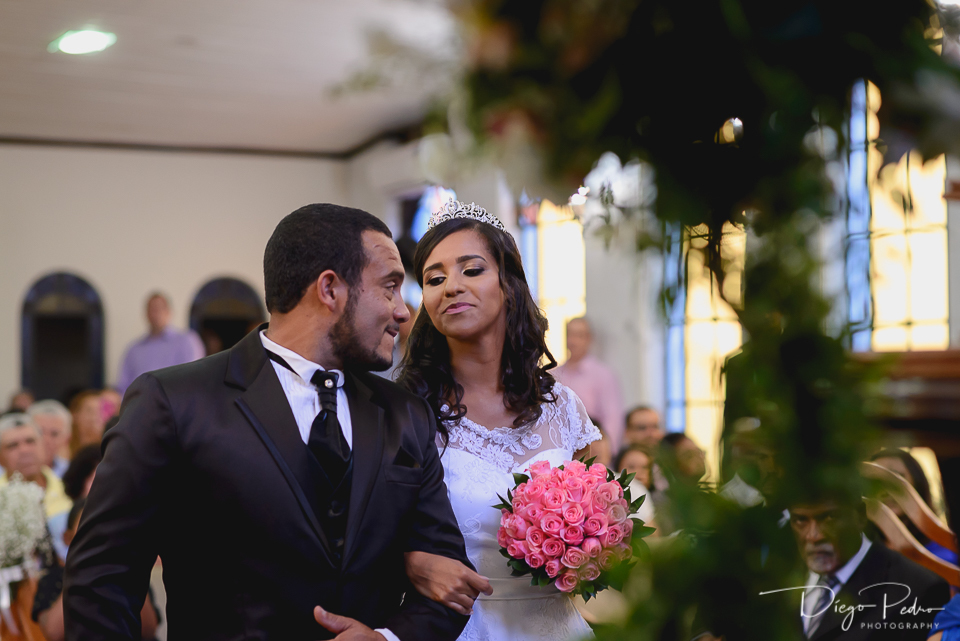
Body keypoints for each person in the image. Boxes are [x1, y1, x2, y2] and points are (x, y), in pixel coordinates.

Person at [64, 204, 472, 641]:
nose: (403, 311)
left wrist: (388, 639)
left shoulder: (404, 413)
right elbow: (102, 580)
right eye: (390, 287)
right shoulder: (174, 402)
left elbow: (448, 581)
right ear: (330, 289)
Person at [398, 200, 602, 641]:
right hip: (456, 627)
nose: (451, 287)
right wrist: (410, 561)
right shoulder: (406, 411)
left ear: (508, 284)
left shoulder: (563, 407)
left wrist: (594, 548)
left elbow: (599, 519)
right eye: (434, 279)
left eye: (471, 270)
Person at [785, 491, 950, 640]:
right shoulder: (780, 575)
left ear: (860, 516)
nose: (814, 536)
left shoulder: (918, 591)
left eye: (830, 518)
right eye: (800, 520)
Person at [33, 498, 160, 641]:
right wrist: (79, 569)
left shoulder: (129, 571)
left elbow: (148, 631)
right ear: (68, 538)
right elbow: (54, 633)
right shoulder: (54, 578)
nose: (97, 538)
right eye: (87, 530)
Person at [553, 317, 625, 450]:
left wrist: (607, 452)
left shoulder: (603, 375)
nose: (573, 341)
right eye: (569, 334)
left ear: (589, 339)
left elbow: (612, 419)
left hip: (591, 448)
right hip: (558, 446)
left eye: (579, 335)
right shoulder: (554, 375)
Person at [115, 292, 205, 395]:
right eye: (152, 309)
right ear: (146, 314)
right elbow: (123, 387)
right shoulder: (134, 349)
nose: (155, 314)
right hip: (140, 403)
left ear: (168, 312)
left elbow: (193, 380)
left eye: (159, 309)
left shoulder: (187, 341)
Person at [0, 413, 72, 518]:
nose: (24, 450)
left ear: (43, 446)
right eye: (13, 445)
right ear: (1, 457)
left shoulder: (70, 486)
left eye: (30, 441)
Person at [28, 400, 72, 477]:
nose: (46, 440)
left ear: (66, 439)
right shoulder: (8, 473)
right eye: (40, 432)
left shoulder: (71, 472)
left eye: (54, 434)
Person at [68, 390, 105, 456]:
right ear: (75, 414)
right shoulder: (65, 445)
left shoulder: (106, 446)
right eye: (89, 411)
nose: (94, 416)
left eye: (99, 411)